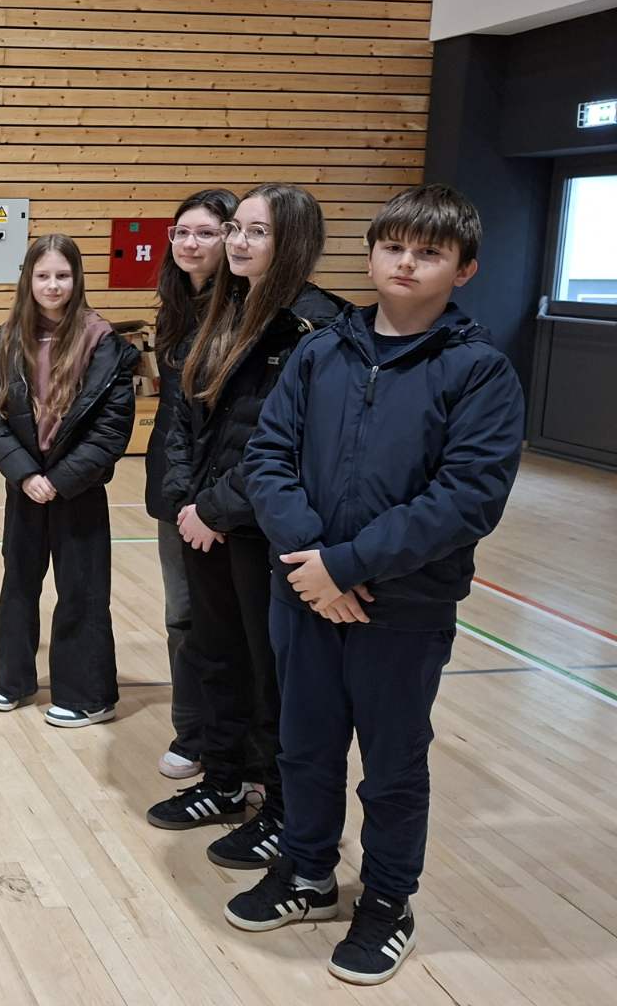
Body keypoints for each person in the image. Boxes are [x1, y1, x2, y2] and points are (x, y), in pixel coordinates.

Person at [225, 185, 524, 985]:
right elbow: (268, 457)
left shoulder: (480, 371)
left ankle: (388, 900)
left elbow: (466, 497)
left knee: (392, 765)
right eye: (394, 246)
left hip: (402, 608)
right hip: (305, 592)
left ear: (464, 269)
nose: (407, 263)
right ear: (371, 255)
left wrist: (348, 566)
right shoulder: (321, 352)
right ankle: (308, 871)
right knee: (305, 746)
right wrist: (313, 561)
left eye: (429, 253)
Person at [146, 183, 346, 873]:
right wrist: (186, 502)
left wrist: (217, 509)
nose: (237, 242)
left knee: (273, 678)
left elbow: (279, 443)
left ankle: (282, 811)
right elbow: (185, 418)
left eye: (256, 232)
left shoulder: (317, 328)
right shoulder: (220, 310)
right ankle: (225, 780)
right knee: (217, 658)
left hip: (260, 528)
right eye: (236, 228)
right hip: (204, 521)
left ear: (292, 242)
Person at [0, 234, 140, 726]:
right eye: (43, 275)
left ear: (77, 279)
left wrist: (62, 479)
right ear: (27, 280)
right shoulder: (8, 339)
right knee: (19, 584)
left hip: (78, 490)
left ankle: (89, 695)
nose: (52, 285)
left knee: (82, 591)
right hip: (25, 487)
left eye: (62, 276)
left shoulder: (103, 341)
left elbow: (111, 428)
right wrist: (26, 474)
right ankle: (13, 679)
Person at [146, 189, 237, 777]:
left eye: (205, 233)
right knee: (181, 615)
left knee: (222, 622)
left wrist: (213, 501)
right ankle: (191, 731)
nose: (190, 243)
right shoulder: (175, 308)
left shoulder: (244, 313)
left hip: (224, 497)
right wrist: (179, 494)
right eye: (182, 232)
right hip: (175, 489)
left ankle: (230, 743)